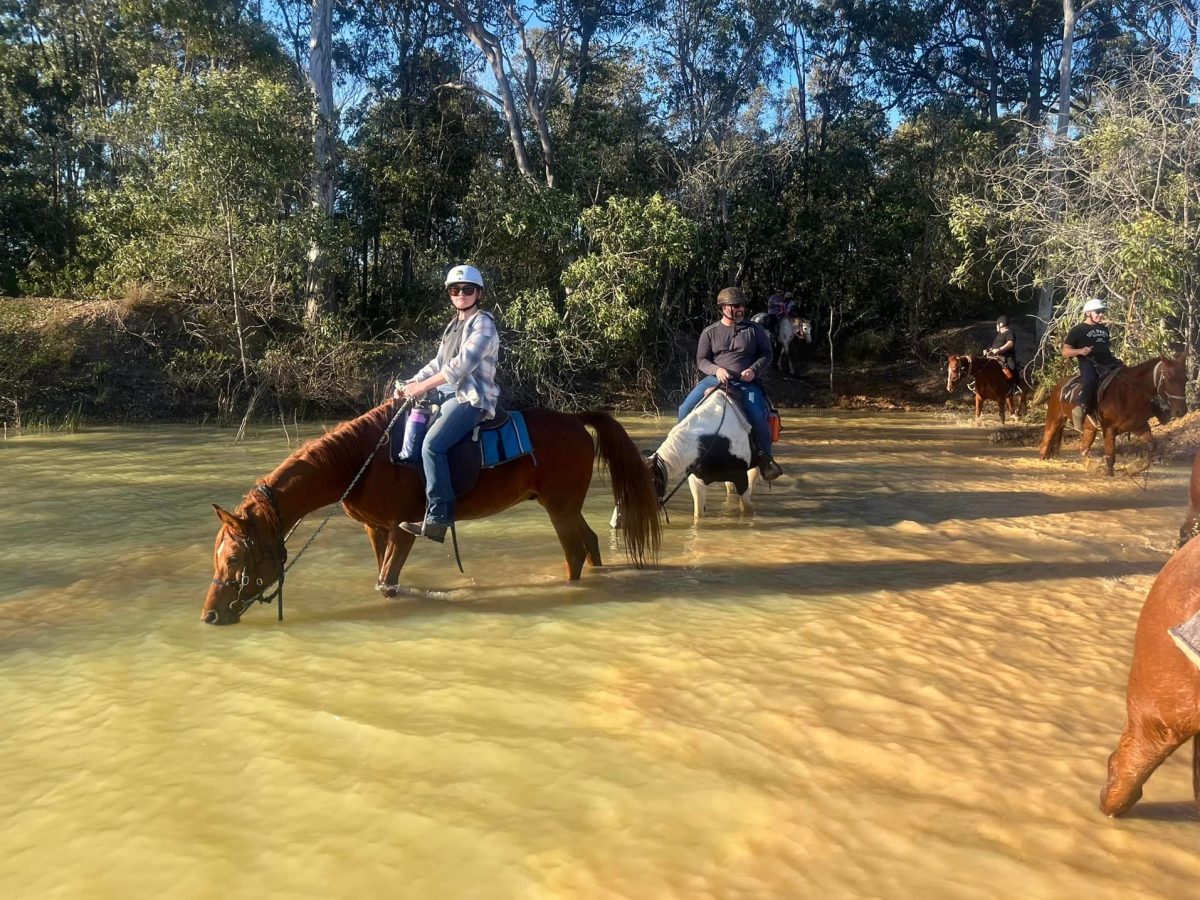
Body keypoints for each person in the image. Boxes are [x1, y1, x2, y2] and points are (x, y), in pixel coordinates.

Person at [395, 264, 500, 543]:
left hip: (471, 398)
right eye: (455, 290)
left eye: (467, 289)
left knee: (432, 445)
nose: (461, 294)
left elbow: (459, 367)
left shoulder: (483, 323)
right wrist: (409, 383)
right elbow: (437, 364)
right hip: (446, 394)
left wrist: (422, 387)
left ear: (479, 293)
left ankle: (439, 517)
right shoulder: (453, 326)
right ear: (450, 294)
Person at [677, 287, 782, 481]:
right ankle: (683, 453)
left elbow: (767, 354)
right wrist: (717, 370)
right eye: (736, 306)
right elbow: (701, 360)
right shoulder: (710, 332)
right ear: (723, 308)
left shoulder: (754, 330)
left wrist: (753, 370)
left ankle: (765, 459)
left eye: (742, 305)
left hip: (745, 382)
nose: (741, 309)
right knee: (684, 409)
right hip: (715, 379)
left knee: (758, 414)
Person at [1062, 297, 1122, 432]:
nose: (1101, 315)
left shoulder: (1104, 329)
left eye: (1103, 312)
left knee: (1126, 375)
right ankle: (1080, 408)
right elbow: (1065, 351)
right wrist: (1081, 351)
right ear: (1088, 313)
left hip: (1108, 361)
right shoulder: (1077, 330)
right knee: (1090, 380)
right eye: (1098, 312)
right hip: (1089, 362)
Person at [984, 315, 1017, 390]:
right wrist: (989, 351)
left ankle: (1014, 387)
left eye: (997, 324)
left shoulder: (1009, 332)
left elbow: (1010, 343)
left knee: (1012, 368)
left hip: (1007, 357)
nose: (996, 326)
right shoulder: (999, 335)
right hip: (996, 357)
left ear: (1001, 324)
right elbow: (995, 346)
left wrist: (999, 349)